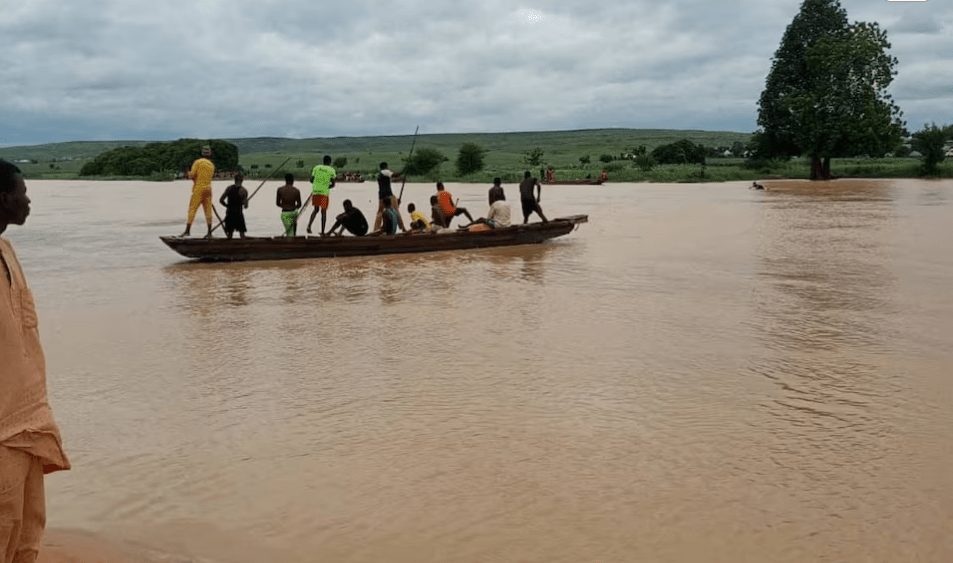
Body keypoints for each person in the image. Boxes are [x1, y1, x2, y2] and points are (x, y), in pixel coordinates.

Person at [0, 160, 71, 563]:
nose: (28, 200)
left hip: (29, 420)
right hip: (1, 426)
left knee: (28, 531)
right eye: (22, 192)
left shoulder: (7, 250)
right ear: (2, 198)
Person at [180, 145, 215, 237]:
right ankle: (209, 232)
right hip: (208, 189)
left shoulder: (197, 162)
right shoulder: (211, 165)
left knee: (192, 209)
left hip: (199, 189)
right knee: (208, 211)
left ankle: (187, 231)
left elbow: (192, 175)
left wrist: (187, 171)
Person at [306, 155, 336, 235]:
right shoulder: (331, 170)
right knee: (323, 212)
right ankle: (322, 232)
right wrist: (326, 186)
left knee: (315, 210)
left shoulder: (316, 168)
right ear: (329, 162)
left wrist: (317, 184)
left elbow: (311, 180)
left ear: (323, 161)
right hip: (324, 193)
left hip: (315, 191)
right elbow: (333, 184)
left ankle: (309, 226)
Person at [374, 162, 406, 232]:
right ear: (385, 166)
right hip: (388, 195)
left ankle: (376, 229)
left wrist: (401, 179)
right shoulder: (385, 171)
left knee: (380, 212)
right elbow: (394, 175)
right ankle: (402, 228)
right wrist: (403, 171)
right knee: (396, 210)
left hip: (381, 196)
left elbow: (390, 180)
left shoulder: (379, 175)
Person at [218, 173, 249, 239]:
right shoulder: (243, 191)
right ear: (242, 181)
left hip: (230, 213)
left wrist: (227, 206)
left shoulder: (229, 188)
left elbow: (221, 200)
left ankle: (228, 246)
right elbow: (246, 206)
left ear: (234, 180)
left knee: (230, 234)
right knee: (242, 235)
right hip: (238, 214)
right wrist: (244, 203)